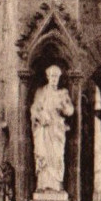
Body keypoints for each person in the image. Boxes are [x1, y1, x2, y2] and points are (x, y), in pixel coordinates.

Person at [30, 64, 74, 193]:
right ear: (48, 77)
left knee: (57, 156)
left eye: (56, 76)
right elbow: (34, 109)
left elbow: (70, 111)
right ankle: (43, 184)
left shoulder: (62, 93)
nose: (54, 79)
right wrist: (40, 116)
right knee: (43, 155)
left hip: (57, 130)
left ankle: (56, 184)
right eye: (52, 76)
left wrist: (64, 105)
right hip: (44, 129)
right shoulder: (41, 92)